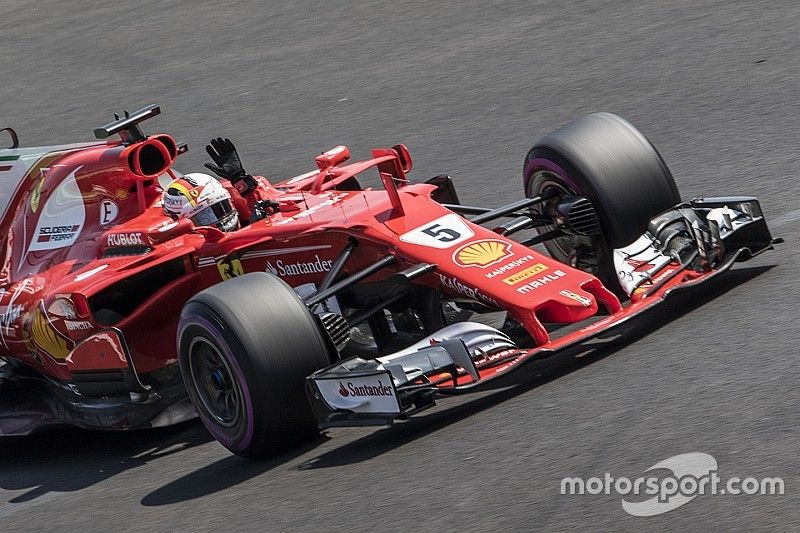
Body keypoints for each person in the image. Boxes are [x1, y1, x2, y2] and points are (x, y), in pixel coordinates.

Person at [162, 138, 279, 230]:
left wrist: (240, 180)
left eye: (221, 208)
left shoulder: (245, 211)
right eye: (205, 216)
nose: (221, 218)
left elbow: (269, 210)